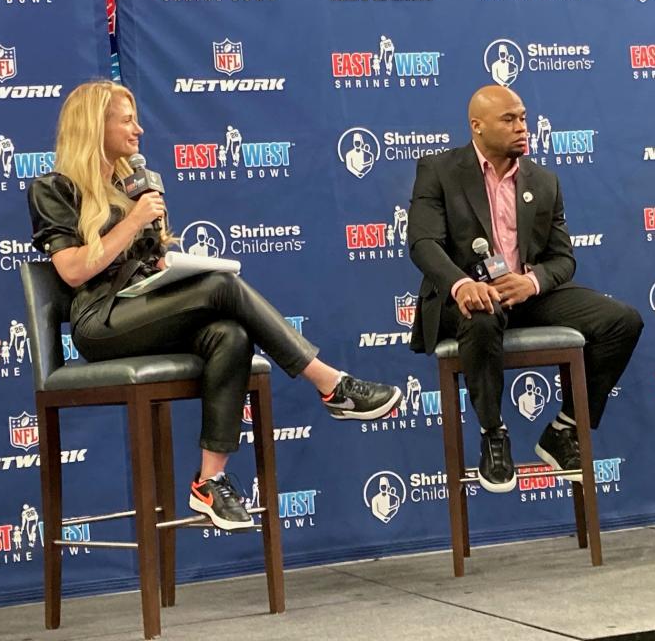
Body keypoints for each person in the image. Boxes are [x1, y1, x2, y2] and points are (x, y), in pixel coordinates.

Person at [27, 81, 401, 530]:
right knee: (223, 286)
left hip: (148, 308)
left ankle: (210, 481)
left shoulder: (132, 187)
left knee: (232, 334)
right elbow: (71, 271)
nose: (139, 129)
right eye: (127, 120)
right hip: (101, 323)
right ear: (94, 125)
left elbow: (145, 261)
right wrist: (133, 222)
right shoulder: (53, 188)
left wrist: (165, 258)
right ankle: (330, 383)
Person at [408, 85, 643, 492]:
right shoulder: (439, 170)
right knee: (481, 316)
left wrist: (531, 282)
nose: (521, 127)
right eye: (509, 119)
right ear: (477, 126)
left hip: (524, 295)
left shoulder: (544, 180)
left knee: (622, 321)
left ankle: (565, 427)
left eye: (523, 118)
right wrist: (461, 284)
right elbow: (423, 242)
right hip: (462, 298)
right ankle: (493, 434)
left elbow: (563, 259)